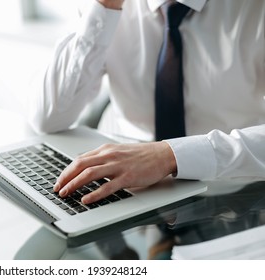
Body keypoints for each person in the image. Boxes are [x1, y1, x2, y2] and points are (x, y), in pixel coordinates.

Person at [29, 0, 265, 205]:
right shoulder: (104, 6)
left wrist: (170, 156)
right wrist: (104, 7)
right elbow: (48, 118)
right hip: (126, 192)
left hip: (231, 191)